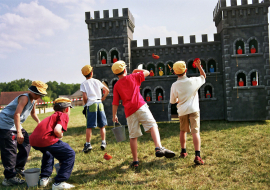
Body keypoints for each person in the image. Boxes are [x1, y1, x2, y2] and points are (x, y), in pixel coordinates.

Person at [111, 60, 175, 168]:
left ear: (115, 73)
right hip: (140, 106)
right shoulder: (133, 77)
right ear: (125, 70)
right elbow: (147, 72)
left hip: (129, 112)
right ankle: (158, 147)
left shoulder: (116, 85)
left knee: (133, 136)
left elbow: (115, 103)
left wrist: (114, 115)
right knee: (153, 125)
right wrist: (137, 70)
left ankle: (135, 162)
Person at [0, 81, 48, 186]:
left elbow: (33, 113)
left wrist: (39, 123)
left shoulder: (34, 100)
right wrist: (18, 132)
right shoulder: (24, 98)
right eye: (39, 94)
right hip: (6, 124)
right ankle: (9, 178)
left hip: (15, 124)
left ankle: (18, 168)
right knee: (10, 150)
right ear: (33, 91)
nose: (40, 96)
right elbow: (17, 114)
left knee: (27, 142)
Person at [29, 98, 75, 190]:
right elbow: (57, 130)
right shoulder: (63, 115)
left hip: (33, 141)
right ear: (67, 109)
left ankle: (44, 179)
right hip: (45, 140)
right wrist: (60, 135)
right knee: (69, 154)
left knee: (48, 152)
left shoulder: (50, 116)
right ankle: (59, 182)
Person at [170, 60, 206, 165]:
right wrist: (199, 66)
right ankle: (198, 155)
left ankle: (183, 152)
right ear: (186, 70)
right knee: (195, 131)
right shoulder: (193, 81)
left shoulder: (174, 85)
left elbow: (172, 101)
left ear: (175, 72)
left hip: (182, 111)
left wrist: (178, 100)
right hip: (194, 109)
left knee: (183, 131)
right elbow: (203, 77)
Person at [80, 65, 109, 153]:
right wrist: (103, 98)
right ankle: (103, 142)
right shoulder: (97, 81)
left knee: (89, 126)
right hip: (99, 104)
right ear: (92, 72)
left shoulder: (83, 84)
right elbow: (107, 90)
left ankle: (88, 144)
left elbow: (84, 97)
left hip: (91, 104)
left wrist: (86, 104)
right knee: (102, 125)